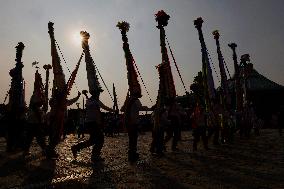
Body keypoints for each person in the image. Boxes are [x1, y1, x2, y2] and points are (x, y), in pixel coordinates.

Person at [71, 91, 116, 163]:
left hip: (91, 123)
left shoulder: (92, 101)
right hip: (92, 123)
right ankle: (95, 155)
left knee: (92, 140)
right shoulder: (93, 101)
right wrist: (114, 110)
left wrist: (113, 110)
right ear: (96, 94)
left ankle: (76, 148)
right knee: (100, 139)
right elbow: (101, 107)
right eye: (98, 93)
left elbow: (101, 107)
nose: (99, 94)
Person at [46, 90, 81, 159]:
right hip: (55, 120)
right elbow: (53, 103)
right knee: (55, 136)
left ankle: (49, 150)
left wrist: (78, 96)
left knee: (55, 136)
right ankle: (49, 150)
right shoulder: (56, 101)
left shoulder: (60, 101)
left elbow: (72, 101)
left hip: (58, 120)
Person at [121, 94, 152, 162]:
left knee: (131, 139)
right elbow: (140, 108)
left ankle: (131, 154)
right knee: (133, 139)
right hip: (133, 122)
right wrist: (148, 108)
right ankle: (132, 155)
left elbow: (122, 109)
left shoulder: (128, 100)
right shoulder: (136, 100)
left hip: (128, 123)